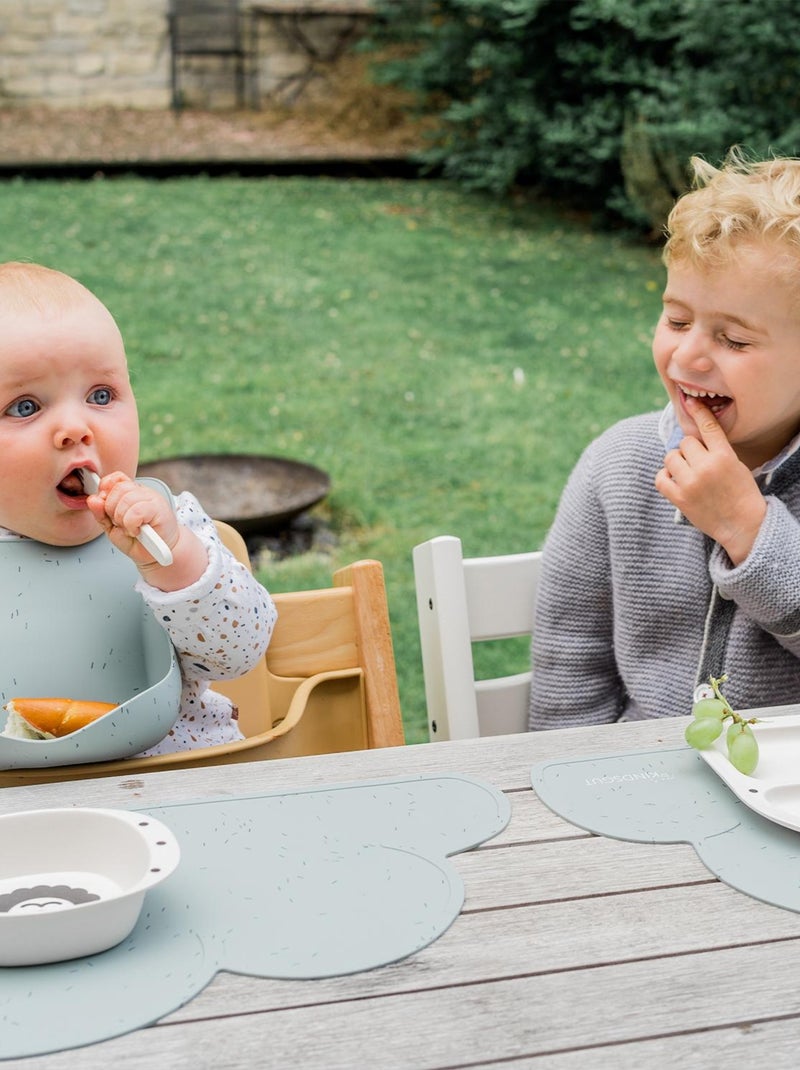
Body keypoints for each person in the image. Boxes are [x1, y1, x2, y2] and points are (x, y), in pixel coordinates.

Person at [529, 150, 800, 729]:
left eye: (733, 339)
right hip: (635, 792)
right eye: (676, 321)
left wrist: (748, 531)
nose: (687, 355)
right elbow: (570, 667)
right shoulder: (618, 466)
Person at [0, 260, 277, 754]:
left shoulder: (168, 524)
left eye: (101, 395)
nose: (76, 428)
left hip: (175, 784)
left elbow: (242, 652)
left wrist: (173, 559)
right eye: (25, 406)